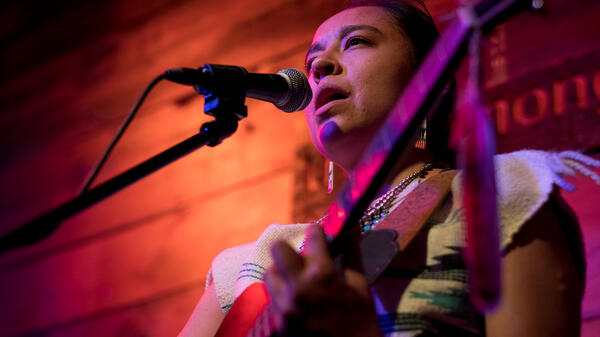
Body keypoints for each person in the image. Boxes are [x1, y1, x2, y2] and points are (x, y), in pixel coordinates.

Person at [179, 1, 592, 336]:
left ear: (434, 81)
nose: (320, 68)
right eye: (312, 61)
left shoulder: (499, 195)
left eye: (356, 42)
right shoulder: (250, 263)